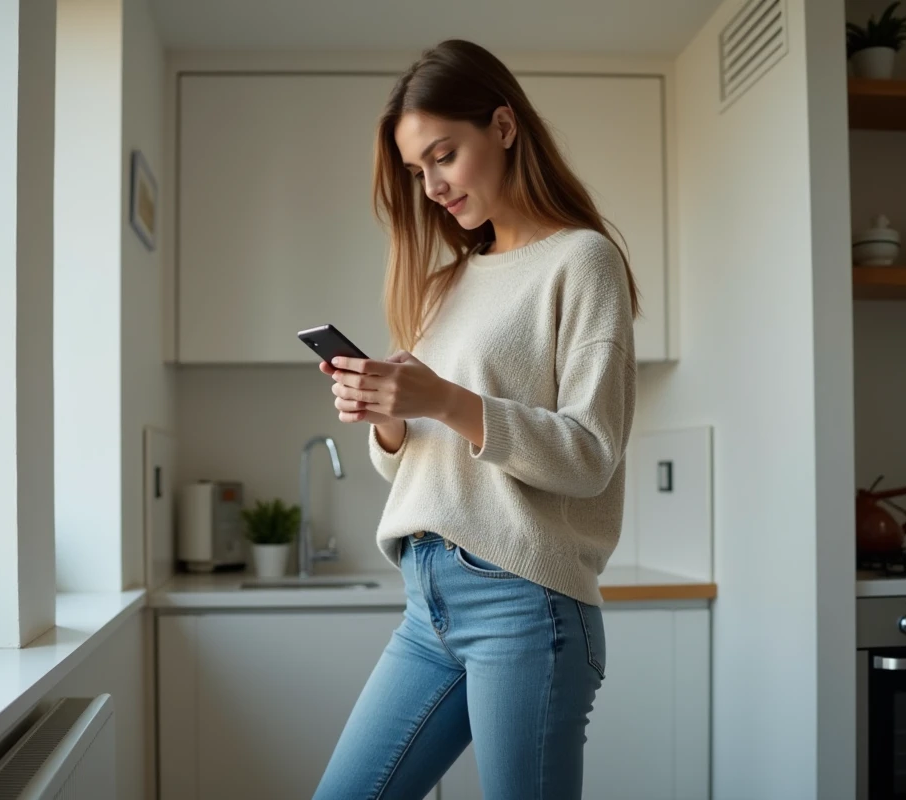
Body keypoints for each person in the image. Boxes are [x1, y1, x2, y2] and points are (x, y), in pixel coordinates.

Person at [311, 39, 640, 800]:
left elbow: (591, 454)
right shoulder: (445, 283)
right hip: (428, 600)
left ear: (503, 125)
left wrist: (440, 400)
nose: (431, 186)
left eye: (443, 156)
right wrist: (388, 419)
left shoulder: (581, 262)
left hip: (525, 600)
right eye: (416, 171)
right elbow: (410, 462)